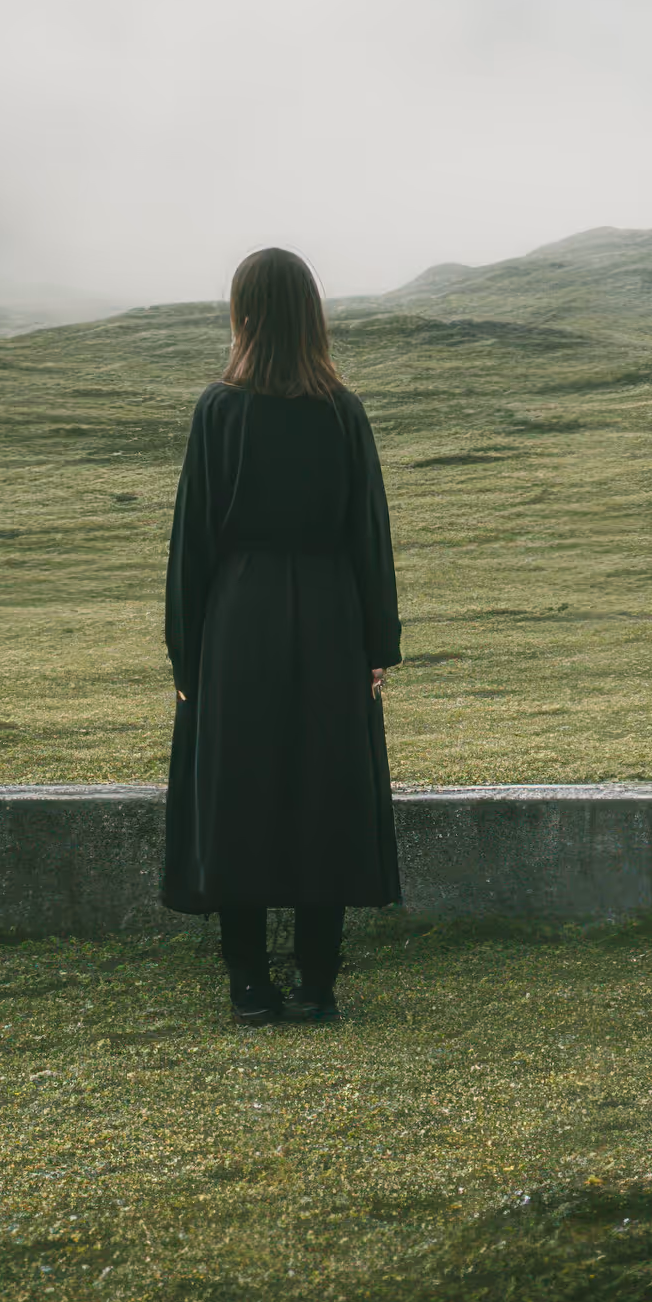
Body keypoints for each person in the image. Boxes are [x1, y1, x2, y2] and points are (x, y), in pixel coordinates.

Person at [161, 245, 402, 1025]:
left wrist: (183, 648)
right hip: (331, 615)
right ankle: (318, 984)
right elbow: (369, 534)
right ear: (312, 315)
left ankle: (247, 984)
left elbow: (194, 540)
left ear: (244, 314)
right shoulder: (343, 410)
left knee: (241, 787)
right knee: (323, 786)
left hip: (238, 621)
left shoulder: (218, 411)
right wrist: (376, 646)